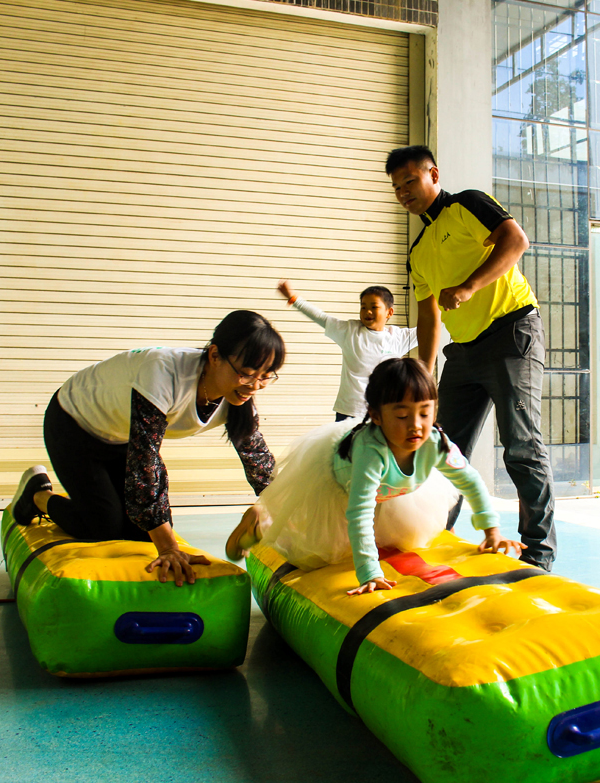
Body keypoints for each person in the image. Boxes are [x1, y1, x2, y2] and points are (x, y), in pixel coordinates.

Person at [10, 310, 284, 586]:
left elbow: (259, 462)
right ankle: (37, 495)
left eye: (265, 376)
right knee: (104, 525)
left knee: (140, 534)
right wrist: (168, 548)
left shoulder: (238, 399)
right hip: (73, 422)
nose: (255, 386)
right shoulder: (164, 373)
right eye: (247, 374)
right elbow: (145, 463)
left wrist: (274, 509)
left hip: (120, 437)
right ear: (214, 355)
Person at [386, 145, 557, 572]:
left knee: (521, 446)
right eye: (397, 188)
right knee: (443, 448)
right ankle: (435, 536)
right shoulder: (418, 251)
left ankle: (538, 554)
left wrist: (468, 287)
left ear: (433, 174)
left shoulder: (467, 205)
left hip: (511, 332)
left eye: (410, 181)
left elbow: (516, 240)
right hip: (463, 352)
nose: (404, 192)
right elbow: (428, 316)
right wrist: (424, 376)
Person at [224, 357, 522, 595]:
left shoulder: (434, 442)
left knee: (406, 538)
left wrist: (491, 530)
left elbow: (470, 480)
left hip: (392, 491)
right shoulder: (370, 451)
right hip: (337, 485)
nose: (415, 426)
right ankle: (261, 522)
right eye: (402, 416)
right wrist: (370, 572)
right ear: (377, 416)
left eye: (425, 413)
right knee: (316, 552)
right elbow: (360, 512)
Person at [276, 280, 419, 420]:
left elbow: (428, 327)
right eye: (363, 307)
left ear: (389, 312)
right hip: (350, 412)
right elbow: (320, 317)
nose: (367, 311)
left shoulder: (398, 338)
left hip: (383, 413)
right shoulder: (350, 331)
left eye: (374, 307)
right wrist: (293, 299)